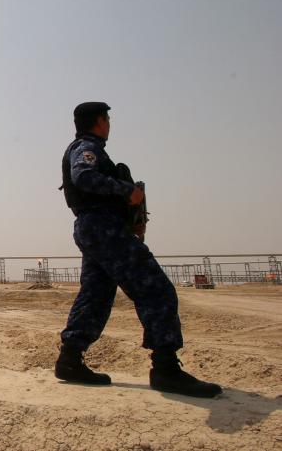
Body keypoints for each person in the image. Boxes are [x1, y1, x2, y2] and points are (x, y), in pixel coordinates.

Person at [55, 101, 222, 398]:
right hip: (103, 228)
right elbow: (84, 176)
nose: (109, 124)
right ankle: (166, 369)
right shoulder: (87, 147)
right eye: (106, 118)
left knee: (95, 295)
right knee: (156, 289)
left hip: (94, 227)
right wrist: (127, 191)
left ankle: (69, 360)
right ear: (99, 121)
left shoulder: (85, 146)